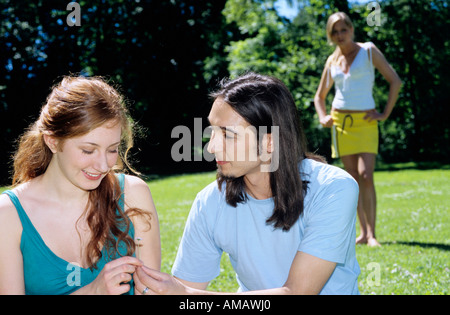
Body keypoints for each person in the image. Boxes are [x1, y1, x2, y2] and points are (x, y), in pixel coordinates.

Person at [133, 72, 360, 295]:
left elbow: (297, 292)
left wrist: (185, 295)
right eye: (212, 131)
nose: (211, 147)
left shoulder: (333, 189)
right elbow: (186, 285)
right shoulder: (210, 202)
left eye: (227, 135)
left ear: (270, 141)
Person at [0, 76, 161, 295]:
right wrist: (93, 291)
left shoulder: (133, 194)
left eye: (112, 149)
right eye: (88, 150)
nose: (103, 165)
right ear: (53, 141)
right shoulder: (8, 215)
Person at [314, 12, 402, 247]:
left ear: (352, 30)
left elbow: (395, 80)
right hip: (342, 124)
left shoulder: (369, 51)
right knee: (352, 179)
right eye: (335, 32)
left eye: (344, 29)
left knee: (366, 175)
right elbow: (319, 97)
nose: (340, 35)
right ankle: (362, 234)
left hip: (366, 121)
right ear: (330, 36)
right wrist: (323, 117)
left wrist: (384, 114)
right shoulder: (332, 60)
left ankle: (372, 234)